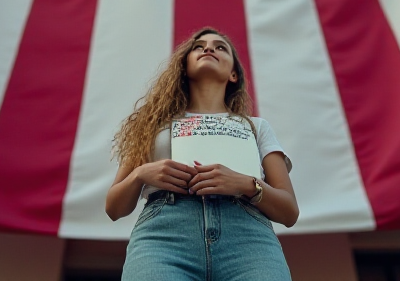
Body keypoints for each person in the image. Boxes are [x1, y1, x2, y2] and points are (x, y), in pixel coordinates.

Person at [106, 27, 298, 280]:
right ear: (184, 67)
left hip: (250, 243)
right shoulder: (152, 125)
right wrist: (140, 174)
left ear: (233, 74)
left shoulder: (257, 127)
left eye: (220, 47)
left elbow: (289, 212)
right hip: (163, 240)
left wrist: (246, 184)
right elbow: (114, 208)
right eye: (199, 46)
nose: (208, 49)